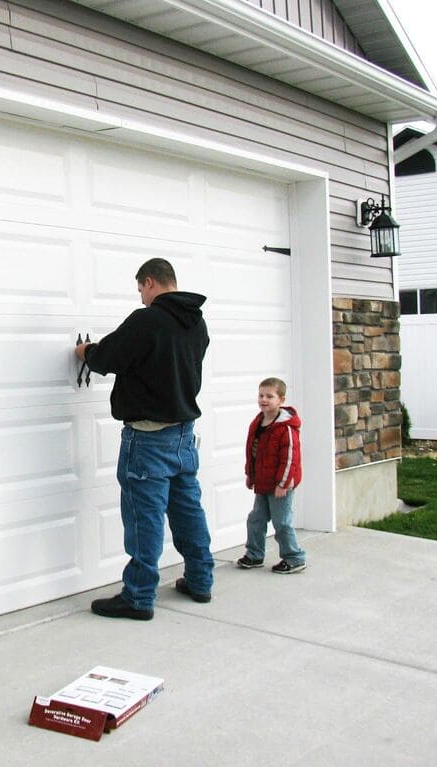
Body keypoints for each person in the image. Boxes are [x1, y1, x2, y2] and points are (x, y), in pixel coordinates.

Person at [74, 257, 213, 621]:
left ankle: (138, 597)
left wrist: (85, 351)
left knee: (143, 517)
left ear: (150, 282)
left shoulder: (147, 320)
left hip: (149, 439)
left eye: (140, 290)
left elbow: (108, 357)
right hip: (184, 436)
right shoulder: (196, 323)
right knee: (188, 511)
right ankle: (200, 580)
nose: (140, 298)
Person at [238, 377, 306, 574]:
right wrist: (250, 476)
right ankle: (254, 555)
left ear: (281, 400)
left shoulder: (286, 428)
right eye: (261, 395)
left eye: (270, 396)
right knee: (256, 519)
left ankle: (294, 557)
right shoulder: (257, 423)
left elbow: (290, 459)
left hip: (281, 485)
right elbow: (252, 453)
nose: (264, 399)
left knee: (281, 522)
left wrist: (283, 484)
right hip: (263, 482)